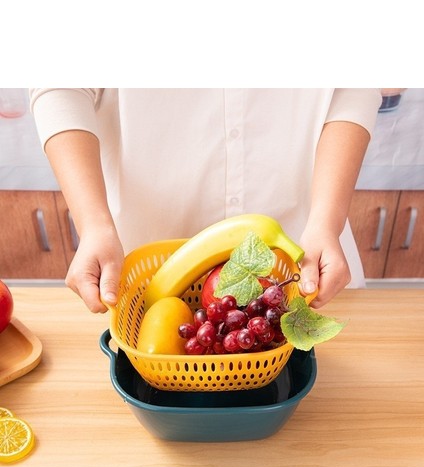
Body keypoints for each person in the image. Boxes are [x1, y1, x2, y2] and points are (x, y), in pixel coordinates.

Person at [29, 88, 381, 312]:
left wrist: (326, 220)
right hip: (141, 266)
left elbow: (354, 84)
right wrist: (92, 225)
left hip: (303, 257)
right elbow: (61, 83)